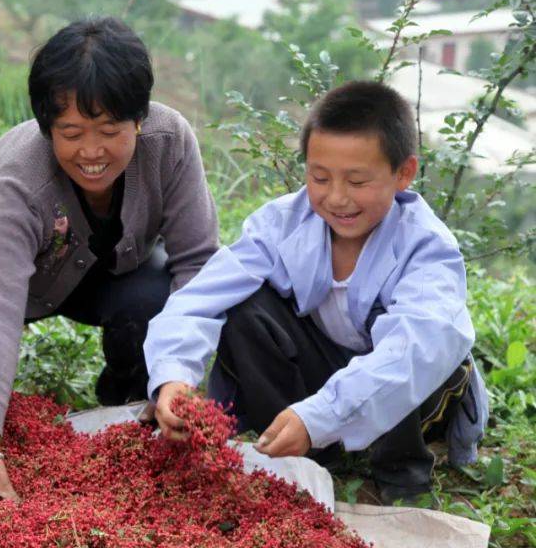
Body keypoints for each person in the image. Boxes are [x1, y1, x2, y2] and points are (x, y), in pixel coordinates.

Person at [0, 17, 219, 517]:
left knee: (155, 298)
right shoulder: (19, 180)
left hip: (114, 275)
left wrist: (176, 375)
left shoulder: (169, 142)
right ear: (47, 129)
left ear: (139, 119)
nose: (92, 152)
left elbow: (197, 262)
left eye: (110, 131)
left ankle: (133, 405)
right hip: (9, 278)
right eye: (71, 133)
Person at [144, 81, 488, 504]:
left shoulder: (426, 248)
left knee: (414, 354)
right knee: (246, 309)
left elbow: (412, 353)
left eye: (358, 181)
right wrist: (172, 376)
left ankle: (401, 476)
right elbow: (201, 297)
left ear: (404, 173)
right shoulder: (284, 223)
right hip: (329, 365)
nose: (337, 198)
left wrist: (322, 413)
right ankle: (306, 446)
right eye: (319, 177)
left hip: (416, 382)